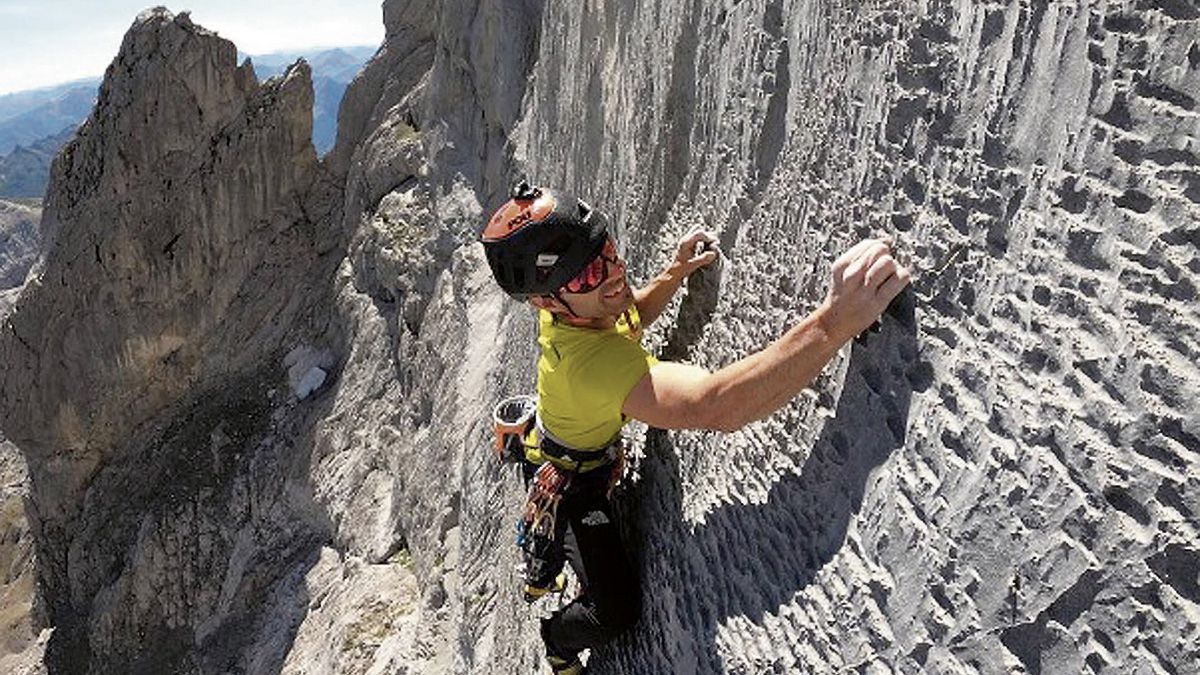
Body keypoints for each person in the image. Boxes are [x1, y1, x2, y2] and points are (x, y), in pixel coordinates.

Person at [480, 180, 911, 674]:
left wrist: (675, 271)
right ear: (546, 303)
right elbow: (716, 406)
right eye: (589, 276)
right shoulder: (591, 365)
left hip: (572, 441)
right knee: (616, 610)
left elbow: (629, 316)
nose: (613, 275)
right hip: (575, 485)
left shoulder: (579, 310)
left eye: (608, 252)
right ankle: (557, 638)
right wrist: (838, 319)